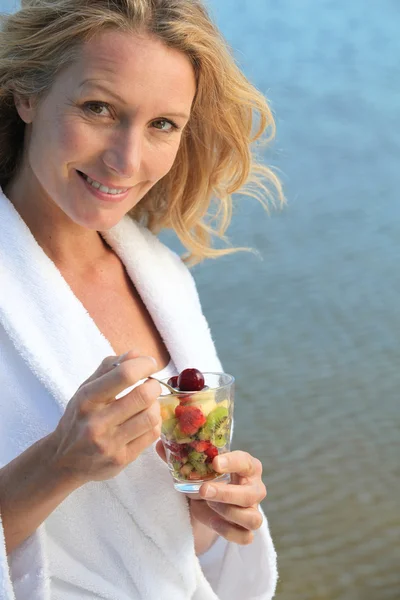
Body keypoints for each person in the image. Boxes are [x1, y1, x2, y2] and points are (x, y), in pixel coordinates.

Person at [0, 0, 283, 598]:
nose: (126, 160)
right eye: (98, 108)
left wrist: (212, 520)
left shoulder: (162, 279)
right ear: (27, 95)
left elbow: (154, 547)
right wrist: (55, 465)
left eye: (163, 125)